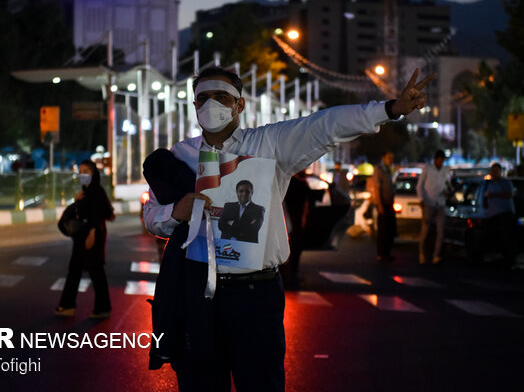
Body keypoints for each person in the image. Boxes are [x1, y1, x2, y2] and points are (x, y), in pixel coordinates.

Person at [143, 66, 434, 391]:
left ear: (239, 105)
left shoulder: (270, 144)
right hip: (197, 291)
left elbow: (325, 126)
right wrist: (175, 212)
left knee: (261, 383)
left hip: (256, 295)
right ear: (194, 106)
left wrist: (389, 109)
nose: (211, 104)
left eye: (221, 96)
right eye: (203, 98)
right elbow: (152, 216)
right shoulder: (177, 157)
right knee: (200, 383)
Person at [55, 159, 115, 319]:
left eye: (86, 172)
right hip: (82, 236)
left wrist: (92, 234)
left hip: (91, 235)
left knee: (95, 271)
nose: (82, 175)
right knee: (76, 271)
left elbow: (98, 214)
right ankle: (69, 305)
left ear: (93, 173)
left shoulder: (96, 191)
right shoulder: (85, 192)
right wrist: (77, 201)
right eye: (80, 172)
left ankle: (101, 308)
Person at [417, 150, 451, 265]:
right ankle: (421, 252)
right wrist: (421, 199)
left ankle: (436, 255)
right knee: (426, 229)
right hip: (429, 203)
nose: (441, 162)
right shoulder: (427, 169)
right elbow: (419, 185)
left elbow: (448, 184)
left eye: (443, 160)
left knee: (440, 231)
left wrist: (448, 191)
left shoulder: (445, 170)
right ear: (435, 159)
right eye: (440, 160)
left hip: (441, 203)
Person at [483, 162, 517, 268]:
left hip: (505, 214)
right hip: (492, 216)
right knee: (498, 239)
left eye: (496, 171)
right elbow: (485, 198)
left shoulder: (506, 183)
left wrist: (495, 195)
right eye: (493, 171)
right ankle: (502, 259)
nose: (494, 173)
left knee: (507, 238)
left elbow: (509, 194)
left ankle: (509, 260)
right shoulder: (488, 184)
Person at [372, 150, 397, 261]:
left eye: (392, 158)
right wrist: (379, 204)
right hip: (383, 204)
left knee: (390, 230)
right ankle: (381, 254)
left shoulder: (388, 170)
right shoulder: (379, 170)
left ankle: (387, 253)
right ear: (383, 158)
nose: (391, 160)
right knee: (383, 230)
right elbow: (377, 188)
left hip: (390, 203)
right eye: (389, 157)